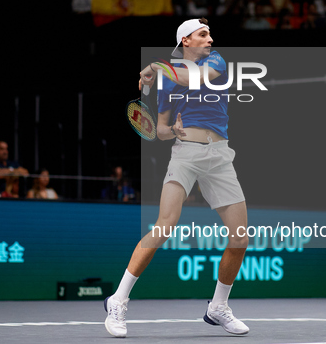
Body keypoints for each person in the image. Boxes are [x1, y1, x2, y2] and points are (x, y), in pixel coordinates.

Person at [103, 18, 250, 338]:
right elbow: (163, 128)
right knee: (164, 225)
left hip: (220, 156)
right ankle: (118, 299)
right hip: (185, 155)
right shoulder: (169, 79)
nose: (210, 39)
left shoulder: (215, 61)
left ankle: (218, 307)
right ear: (186, 41)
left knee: (240, 238)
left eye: (209, 34)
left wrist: (155, 66)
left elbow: (197, 75)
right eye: (203, 34)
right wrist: (172, 131)